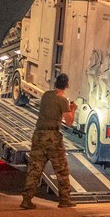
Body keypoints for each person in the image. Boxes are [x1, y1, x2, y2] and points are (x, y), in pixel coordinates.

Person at [20, 73, 77, 209]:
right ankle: (64, 200)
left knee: (35, 169)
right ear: (67, 85)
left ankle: (26, 200)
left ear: (55, 83)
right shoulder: (63, 100)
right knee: (61, 170)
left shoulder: (46, 95)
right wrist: (72, 109)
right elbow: (69, 122)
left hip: (38, 135)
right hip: (52, 138)